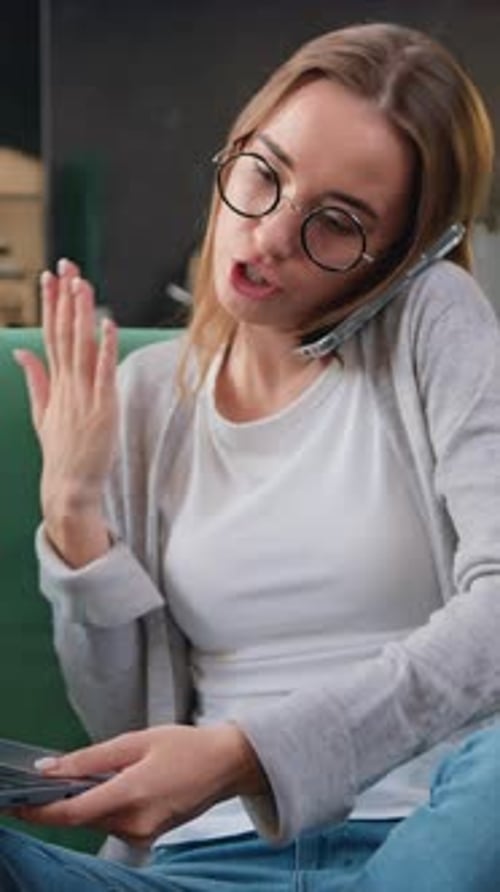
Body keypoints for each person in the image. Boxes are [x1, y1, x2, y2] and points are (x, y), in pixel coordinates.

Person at [3, 19, 500, 892]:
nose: (270, 235)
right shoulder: (149, 393)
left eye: (335, 223)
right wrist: (75, 514)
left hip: (421, 845)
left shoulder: (435, 321)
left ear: (400, 256)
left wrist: (248, 757)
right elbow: (125, 721)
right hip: (196, 868)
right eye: (263, 174)